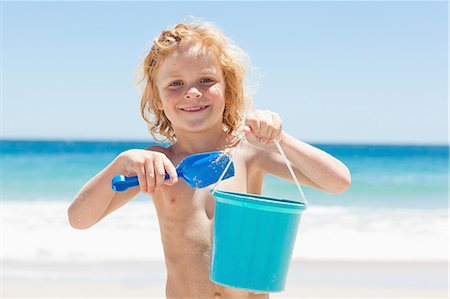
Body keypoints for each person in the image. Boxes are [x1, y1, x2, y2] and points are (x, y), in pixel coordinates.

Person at [68, 20, 351, 299]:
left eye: (206, 80)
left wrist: (282, 140)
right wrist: (122, 162)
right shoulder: (156, 165)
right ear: (157, 99)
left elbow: (338, 182)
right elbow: (79, 219)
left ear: (228, 89)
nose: (192, 92)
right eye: (176, 83)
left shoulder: (249, 154)